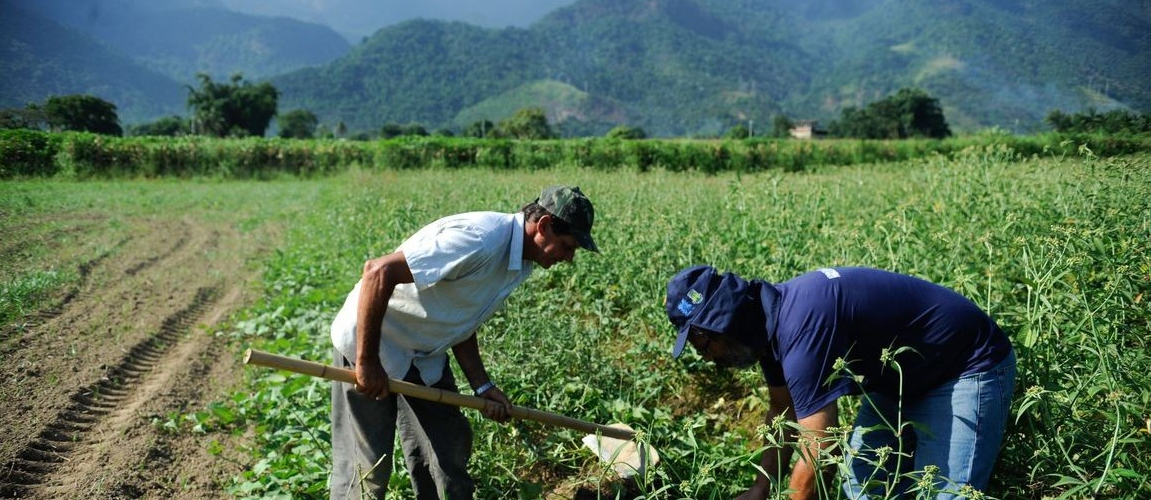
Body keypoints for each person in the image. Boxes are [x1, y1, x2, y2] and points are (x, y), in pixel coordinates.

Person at [329, 186, 599, 500]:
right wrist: (367, 362)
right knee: (368, 467)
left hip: (423, 356)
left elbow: (462, 318)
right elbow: (378, 271)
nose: (567, 258)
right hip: (373, 342)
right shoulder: (479, 239)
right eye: (566, 247)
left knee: (447, 449)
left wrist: (482, 386)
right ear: (543, 227)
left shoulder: (519, 262)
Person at [664, 265, 1015, 500]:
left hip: (965, 366)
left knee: (945, 493)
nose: (704, 356)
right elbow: (782, 410)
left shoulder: (802, 327)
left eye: (701, 344)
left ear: (721, 324)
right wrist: (760, 488)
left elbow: (821, 446)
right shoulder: (765, 326)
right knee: (863, 487)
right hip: (898, 380)